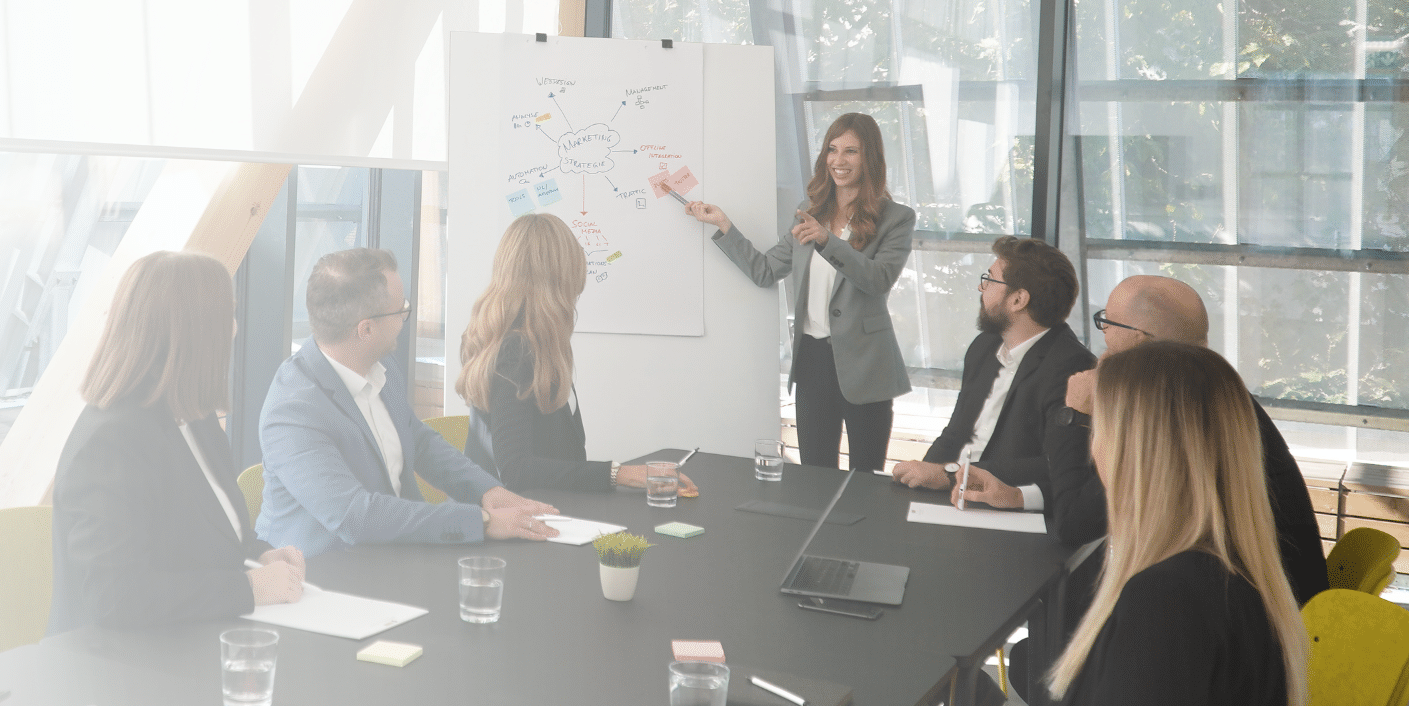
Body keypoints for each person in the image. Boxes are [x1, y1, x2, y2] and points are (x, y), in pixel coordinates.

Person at [823, 341, 1306, 706]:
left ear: (1137, 450)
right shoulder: (1236, 580)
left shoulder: (1166, 606)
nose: (1092, 448)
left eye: (1098, 427)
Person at [49, 251, 307, 631]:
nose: (234, 329)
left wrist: (262, 556)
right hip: (121, 668)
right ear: (193, 332)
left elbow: (210, 538)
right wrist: (248, 588)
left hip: (190, 642)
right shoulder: (110, 443)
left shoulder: (194, 417)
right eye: (227, 316)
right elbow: (115, 597)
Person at [257, 248, 562, 556]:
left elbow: (418, 440)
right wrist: (481, 521)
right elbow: (355, 517)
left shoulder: (380, 364)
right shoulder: (293, 411)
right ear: (366, 329)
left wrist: (487, 491)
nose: (405, 317)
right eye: (401, 309)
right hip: (323, 576)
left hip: (394, 558)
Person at [1052, 274, 1329, 601]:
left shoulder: (1168, 416)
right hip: (1276, 600)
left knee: (1041, 648)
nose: (1103, 336)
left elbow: (1075, 525)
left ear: (1138, 341)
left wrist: (1076, 414)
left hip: (1247, 620)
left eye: (1107, 323)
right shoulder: (1217, 390)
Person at [686, 112, 913, 470]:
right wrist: (723, 225)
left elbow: (878, 279)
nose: (838, 161)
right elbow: (765, 271)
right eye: (832, 150)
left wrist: (828, 242)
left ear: (870, 157)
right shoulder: (809, 213)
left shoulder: (896, 218)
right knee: (814, 479)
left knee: (865, 481)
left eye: (851, 151)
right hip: (813, 363)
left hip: (866, 364)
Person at [455, 213, 699, 496]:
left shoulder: (538, 344)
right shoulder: (514, 352)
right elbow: (516, 470)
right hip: (514, 522)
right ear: (559, 277)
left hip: (550, 510)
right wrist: (618, 474)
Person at [891, 237, 1096, 510]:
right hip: (953, 497)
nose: (980, 287)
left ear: (1018, 299)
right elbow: (955, 433)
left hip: (1002, 505)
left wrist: (949, 476)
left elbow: (1057, 465)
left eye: (989, 280)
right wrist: (922, 477)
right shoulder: (984, 347)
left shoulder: (1073, 366)